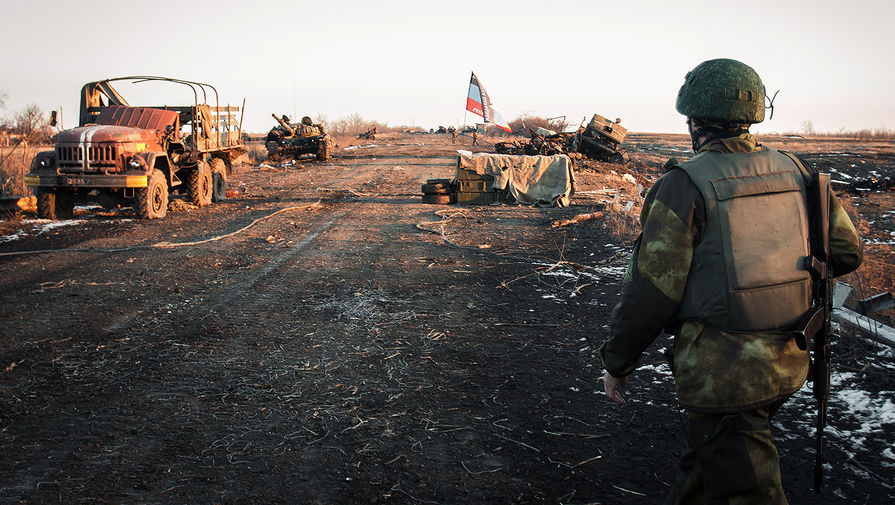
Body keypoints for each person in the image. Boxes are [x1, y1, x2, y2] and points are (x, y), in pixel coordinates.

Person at [597, 58, 862, 504]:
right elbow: (846, 252)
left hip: (725, 378)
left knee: (746, 487)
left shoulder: (684, 184)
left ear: (694, 121)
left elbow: (652, 292)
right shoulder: (794, 170)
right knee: (708, 470)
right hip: (788, 357)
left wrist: (617, 362)